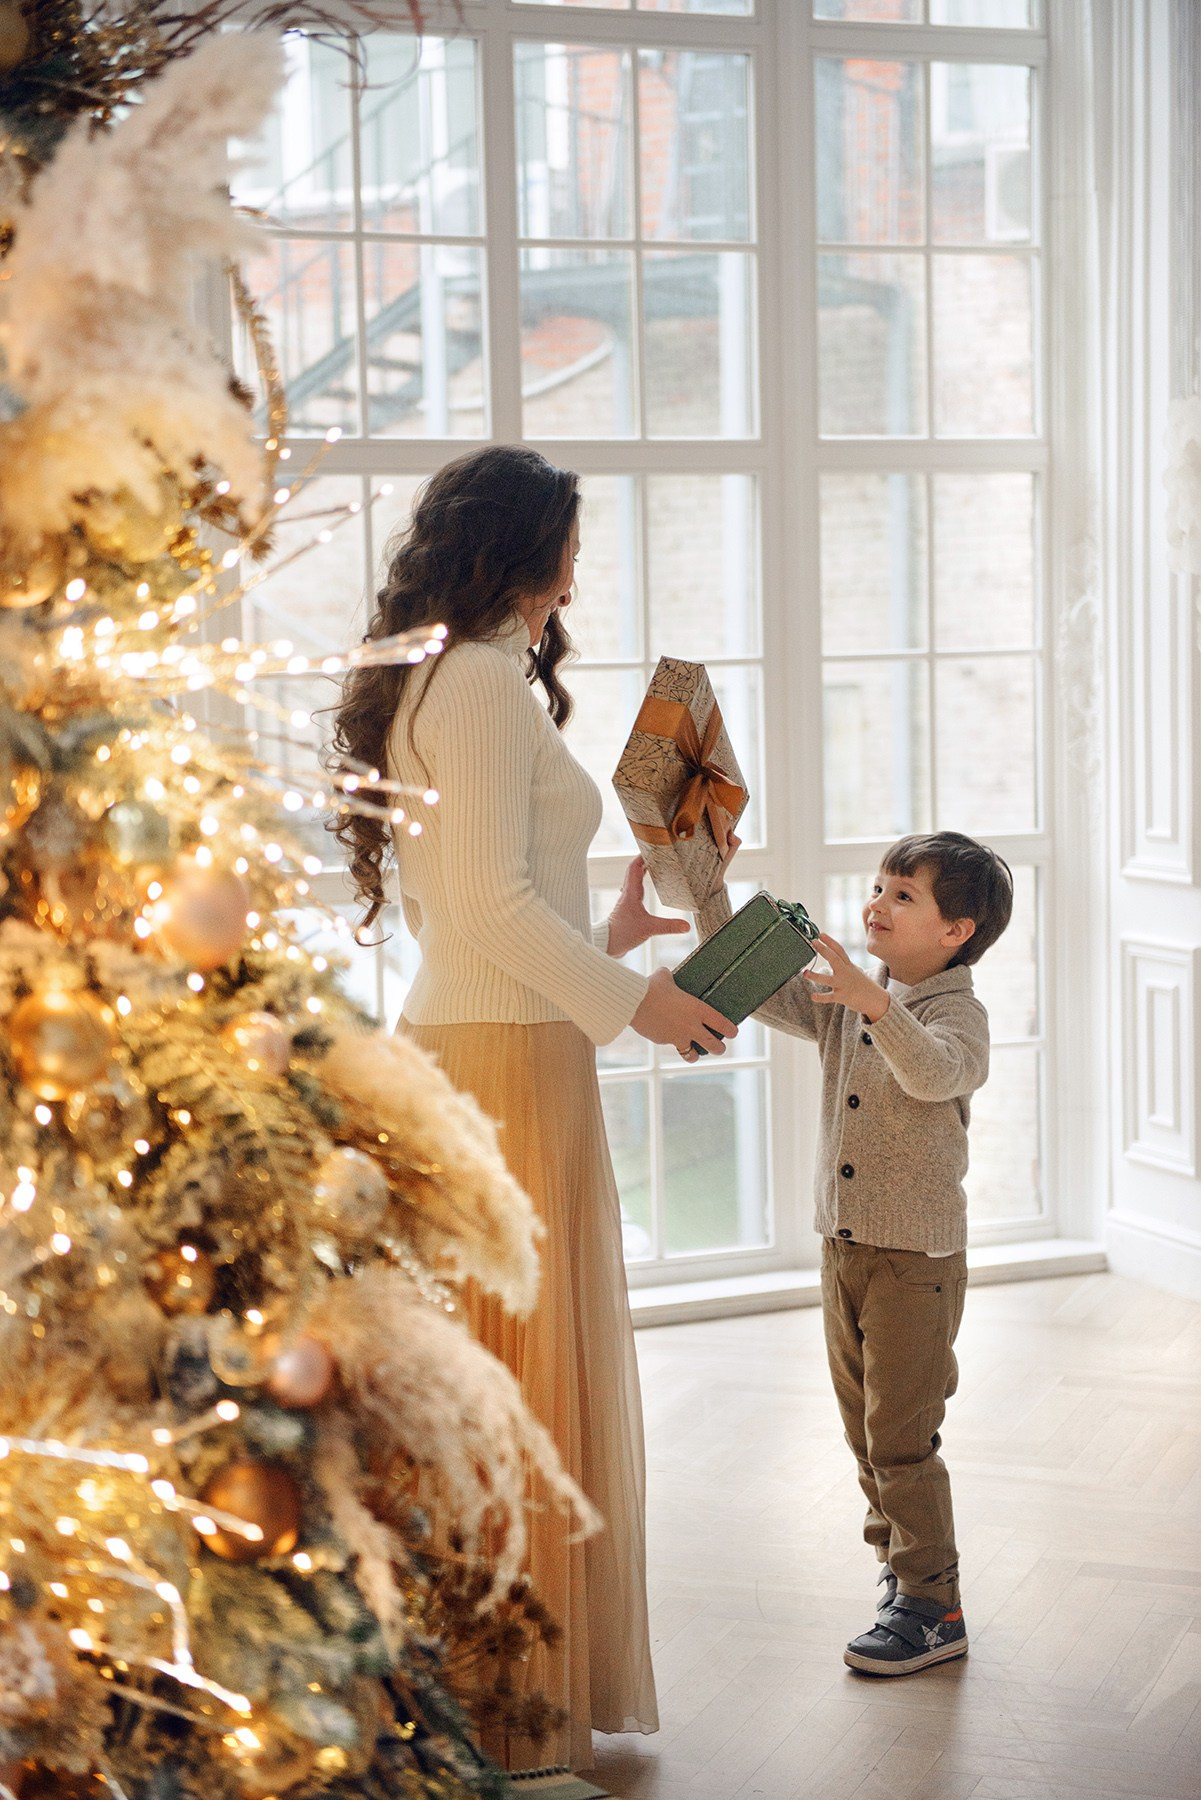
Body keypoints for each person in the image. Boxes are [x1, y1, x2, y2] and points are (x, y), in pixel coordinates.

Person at [329, 444, 735, 1772]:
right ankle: (504, 1718)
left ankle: (474, 1703)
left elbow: (488, 905)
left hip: (488, 1045)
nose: (581, 563)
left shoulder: (450, 676)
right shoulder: (489, 686)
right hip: (501, 1067)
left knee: (490, 1377)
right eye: (570, 538)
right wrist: (647, 1005)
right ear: (528, 550)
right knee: (508, 1383)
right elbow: (495, 912)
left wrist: (610, 933)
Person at [699, 830, 1012, 1676]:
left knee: (902, 1436)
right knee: (862, 1432)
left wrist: (873, 1007)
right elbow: (760, 988)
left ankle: (934, 1602)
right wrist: (708, 892)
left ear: (956, 931)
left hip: (914, 1259)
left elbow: (938, 1073)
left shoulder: (954, 1012)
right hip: (841, 1246)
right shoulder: (852, 993)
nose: (876, 903)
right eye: (878, 886)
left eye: (901, 895)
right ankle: (900, 1575)